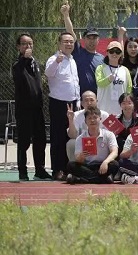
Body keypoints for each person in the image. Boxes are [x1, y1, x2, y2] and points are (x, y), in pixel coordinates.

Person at [11, 33, 50, 180]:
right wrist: (24, 60)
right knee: (24, 141)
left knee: (40, 140)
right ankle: (23, 172)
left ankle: (40, 170)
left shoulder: (35, 63)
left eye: (31, 44)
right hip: (24, 110)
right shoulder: (17, 64)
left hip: (37, 109)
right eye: (25, 44)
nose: (28, 47)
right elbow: (19, 78)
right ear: (19, 47)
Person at [45, 31, 81, 180]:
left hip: (73, 103)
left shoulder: (72, 60)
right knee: (58, 137)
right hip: (58, 102)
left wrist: (78, 100)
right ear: (59, 44)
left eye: (71, 42)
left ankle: (69, 169)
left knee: (71, 137)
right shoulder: (54, 59)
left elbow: (75, 82)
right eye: (65, 41)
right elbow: (48, 73)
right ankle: (57, 169)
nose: (69, 44)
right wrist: (56, 62)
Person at [65, 108, 119, 184]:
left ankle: (82, 179)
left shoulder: (109, 134)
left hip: (102, 165)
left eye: (95, 118)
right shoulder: (80, 138)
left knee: (115, 164)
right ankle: (102, 179)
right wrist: (81, 156)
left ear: (100, 119)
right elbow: (77, 158)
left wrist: (106, 162)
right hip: (87, 166)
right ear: (85, 121)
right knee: (71, 165)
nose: (92, 120)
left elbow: (114, 152)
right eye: (89, 118)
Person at [60, 1, 104, 92]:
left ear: (98, 40)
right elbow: (70, 32)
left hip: (97, 98)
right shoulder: (78, 51)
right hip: (78, 97)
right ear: (84, 39)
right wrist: (66, 15)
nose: (92, 41)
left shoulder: (103, 59)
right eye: (89, 38)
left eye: (94, 38)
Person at [95, 41, 132, 116]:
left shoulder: (125, 70)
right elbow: (99, 83)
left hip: (120, 110)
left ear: (121, 54)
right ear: (107, 53)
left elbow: (129, 87)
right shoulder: (101, 68)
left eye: (117, 52)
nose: (114, 54)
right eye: (112, 51)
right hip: (104, 110)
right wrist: (109, 79)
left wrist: (126, 103)